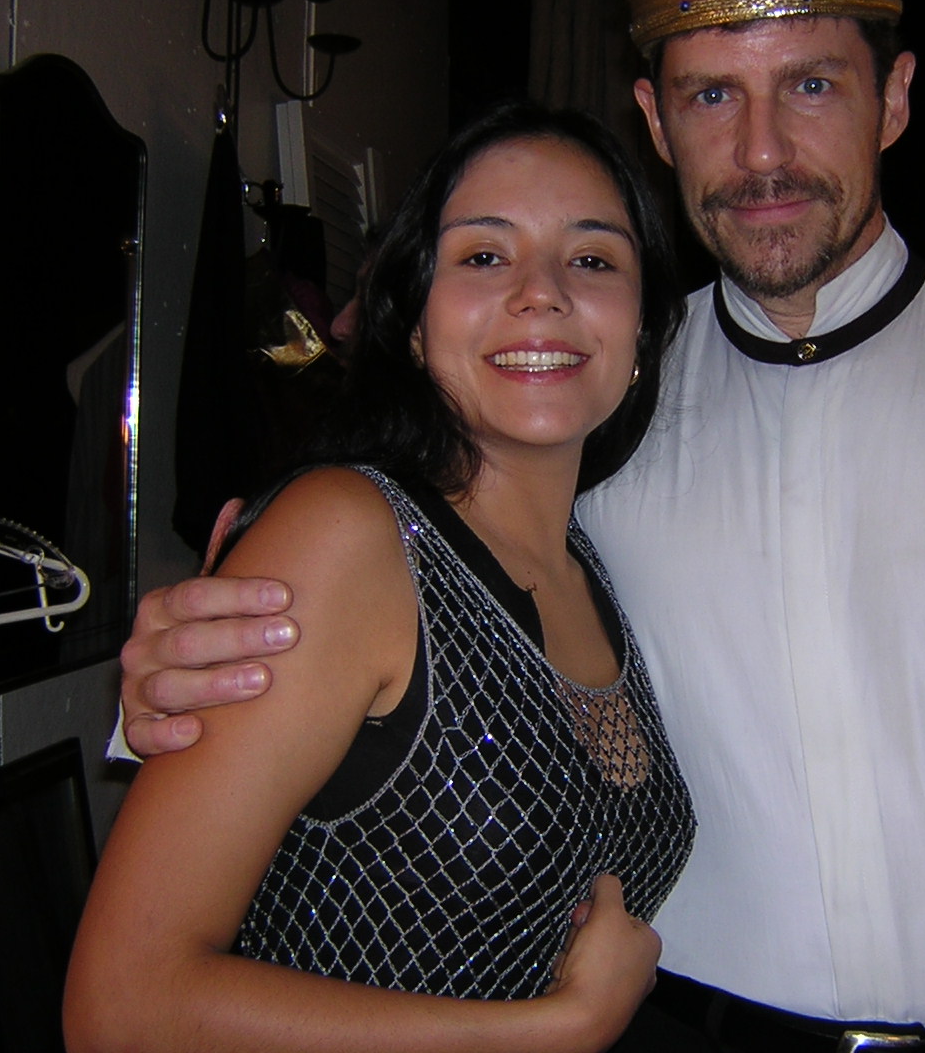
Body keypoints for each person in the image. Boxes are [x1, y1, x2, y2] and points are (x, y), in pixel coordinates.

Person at [115, 0, 925, 1050]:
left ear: (896, 98)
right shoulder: (601, 407)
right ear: (656, 122)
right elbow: (411, 559)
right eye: (713, 96)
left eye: (812, 84)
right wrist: (190, 658)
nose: (761, 151)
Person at [67, 101, 697, 1053]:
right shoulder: (348, 535)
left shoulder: (593, 563)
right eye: (484, 256)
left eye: (594, 260)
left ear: (643, 331)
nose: (542, 294)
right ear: (410, 322)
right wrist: (553, 1031)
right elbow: (122, 1009)